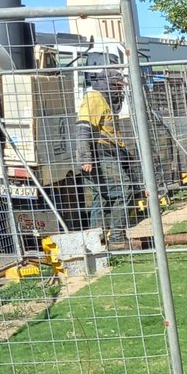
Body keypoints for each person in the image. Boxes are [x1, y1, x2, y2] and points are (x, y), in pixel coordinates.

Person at [75, 69, 135, 248]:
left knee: (101, 197)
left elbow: (109, 132)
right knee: (124, 190)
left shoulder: (106, 102)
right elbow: (83, 128)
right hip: (99, 155)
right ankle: (116, 237)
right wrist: (85, 158)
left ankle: (96, 241)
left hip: (109, 154)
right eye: (116, 86)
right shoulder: (94, 98)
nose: (119, 90)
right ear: (107, 84)